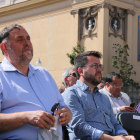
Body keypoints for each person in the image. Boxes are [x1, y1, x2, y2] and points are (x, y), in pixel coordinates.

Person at [0, 24, 72, 140]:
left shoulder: (44, 73)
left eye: (28, 39)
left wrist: (66, 113)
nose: (27, 43)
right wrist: (26, 117)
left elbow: (62, 105)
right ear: (4, 47)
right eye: (20, 39)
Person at [62, 51, 135, 140]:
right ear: (81, 71)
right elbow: (79, 127)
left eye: (100, 66)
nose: (100, 69)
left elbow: (115, 124)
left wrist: (124, 136)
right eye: (94, 66)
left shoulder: (104, 97)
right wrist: (112, 139)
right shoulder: (71, 93)